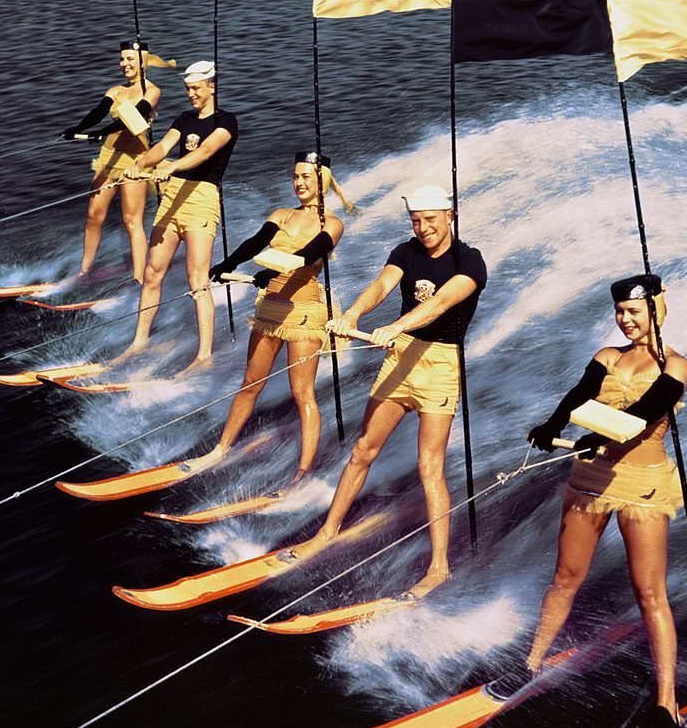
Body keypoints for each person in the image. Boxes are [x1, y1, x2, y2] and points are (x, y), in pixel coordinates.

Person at [497, 274, 687, 728]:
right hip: (589, 480)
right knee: (565, 575)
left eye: (635, 313)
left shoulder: (678, 366)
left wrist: (599, 437)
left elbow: (646, 412)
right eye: (620, 313)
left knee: (649, 592)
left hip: (643, 485)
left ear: (657, 311)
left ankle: (667, 705)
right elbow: (578, 396)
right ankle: (531, 664)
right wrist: (551, 425)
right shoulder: (607, 357)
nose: (625, 321)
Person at [286, 184, 487, 600]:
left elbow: (439, 304)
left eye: (431, 220)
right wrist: (353, 314)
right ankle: (327, 532)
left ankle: (438, 568)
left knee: (429, 467)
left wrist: (395, 326)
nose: (424, 228)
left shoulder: (470, 261)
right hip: (400, 359)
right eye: (416, 221)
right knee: (362, 449)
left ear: (450, 216)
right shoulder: (405, 250)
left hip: (440, 368)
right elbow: (382, 285)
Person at [182, 152, 345, 482]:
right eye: (295, 177)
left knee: (303, 394)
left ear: (321, 181)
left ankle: (302, 472)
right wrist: (226, 264)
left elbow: (306, 256)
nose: (298, 183)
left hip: (303, 314)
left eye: (306, 177)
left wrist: (272, 269)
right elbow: (255, 242)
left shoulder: (332, 224)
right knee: (249, 385)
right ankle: (220, 450)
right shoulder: (282, 215)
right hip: (270, 309)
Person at [115, 60, 237, 374]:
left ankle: (204, 355)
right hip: (172, 198)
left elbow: (206, 152)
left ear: (212, 86)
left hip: (201, 199)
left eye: (196, 89)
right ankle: (140, 340)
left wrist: (171, 166)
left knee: (197, 280)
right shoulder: (184, 118)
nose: (191, 95)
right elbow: (163, 146)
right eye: (188, 89)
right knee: (153, 272)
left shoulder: (226, 122)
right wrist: (142, 163)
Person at [62, 40, 162, 283]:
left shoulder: (152, 91)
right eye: (122, 59)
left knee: (131, 221)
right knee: (94, 216)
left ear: (142, 62)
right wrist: (77, 129)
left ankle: (138, 278)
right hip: (108, 159)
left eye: (130, 59)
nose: (124, 63)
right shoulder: (116, 90)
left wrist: (101, 133)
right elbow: (97, 113)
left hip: (134, 162)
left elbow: (134, 116)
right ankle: (84, 271)